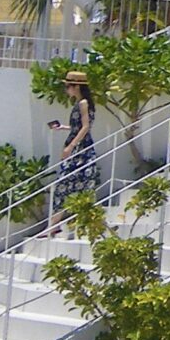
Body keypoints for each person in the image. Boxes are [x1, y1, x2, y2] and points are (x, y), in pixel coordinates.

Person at [49, 67, 99, 230]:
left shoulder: (83, 103)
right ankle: (55, 224)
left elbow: (85, 127)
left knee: (65, 182)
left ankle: (55, 224)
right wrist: (63, 127)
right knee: (69, 183)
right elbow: (78, 126)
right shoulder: (81, 103)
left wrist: (70, 147)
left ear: (77, 86)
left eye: (68, 86)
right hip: (80, 147)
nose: (66, 89)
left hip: (80, 149)